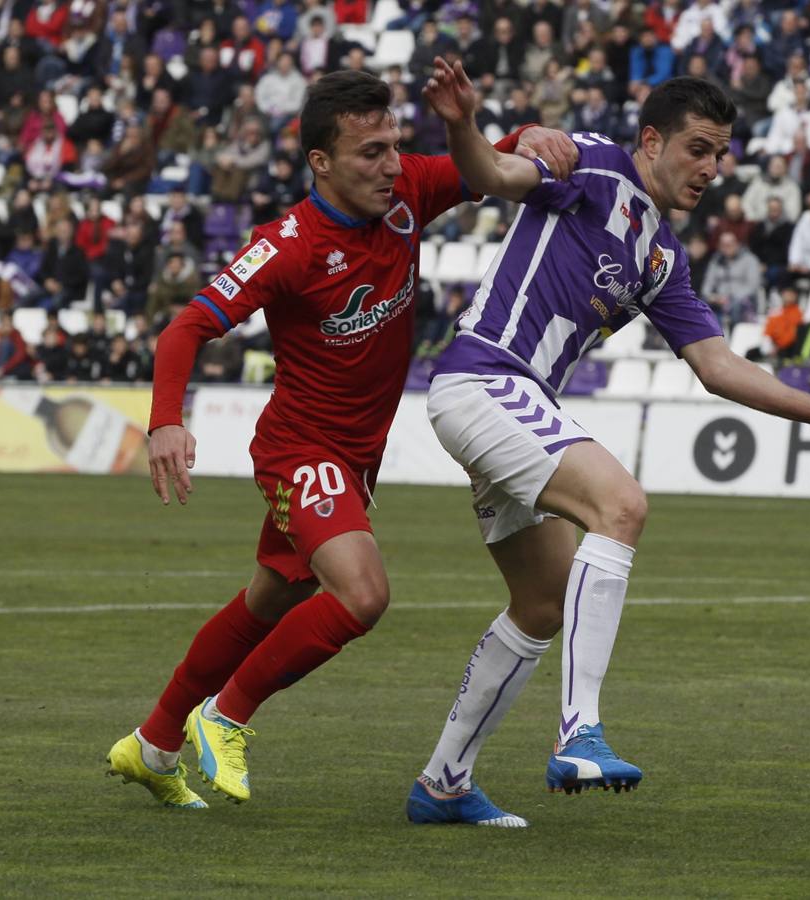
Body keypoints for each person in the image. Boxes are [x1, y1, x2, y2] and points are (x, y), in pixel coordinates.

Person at [413, 65, 810, 828]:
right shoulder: (593, 165)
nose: (711, 168)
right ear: (651, 140)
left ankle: (444, 782)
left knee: (540, 605)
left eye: (721, 154)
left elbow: (716, 366)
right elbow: (496, 172)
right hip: (483, 380)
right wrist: (461, 126)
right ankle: (580, 732)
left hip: (513, 404)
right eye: (698, 148)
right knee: (621, 504)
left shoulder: (662, 255)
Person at [104, 70, 573, 813]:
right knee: (362, 594)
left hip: (355, 458)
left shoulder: (410, 190)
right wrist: (166, 419)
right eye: (368, 153)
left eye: (394, 145)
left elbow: (481, 162)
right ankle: (224, 717)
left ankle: (153, 742)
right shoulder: (286, 245)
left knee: (270, 599)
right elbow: (186, 325)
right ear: (320, 162)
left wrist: (520, 135)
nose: (390, 164)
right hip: (300, 450)